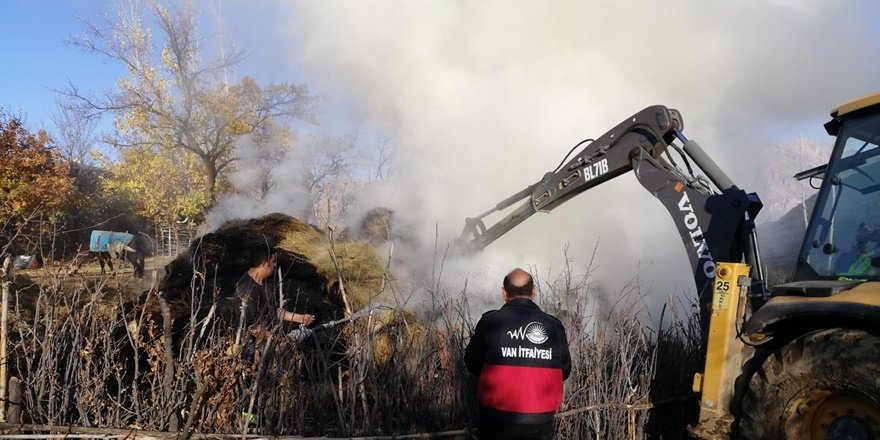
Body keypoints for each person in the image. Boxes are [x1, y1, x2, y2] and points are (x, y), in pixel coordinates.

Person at [464, 268, 572, 440]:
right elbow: (564, 371)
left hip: (496, 421)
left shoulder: (490, 322)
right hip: (540, 422)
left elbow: (472, 364)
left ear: (504, 293)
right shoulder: (554, 327)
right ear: (534, 291)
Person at [232, 247, 316, 425]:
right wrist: (276, 339)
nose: (275, 266)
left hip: (267, 344)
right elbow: (251, 325)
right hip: (251, 348)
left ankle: (266, 421)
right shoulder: (246, 289)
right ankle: (249, 424)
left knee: (269, 385)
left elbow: (274, 311)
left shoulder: (264, 285)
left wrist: (300, 318)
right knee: (252, 386)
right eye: (273, 262)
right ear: (264, 263)